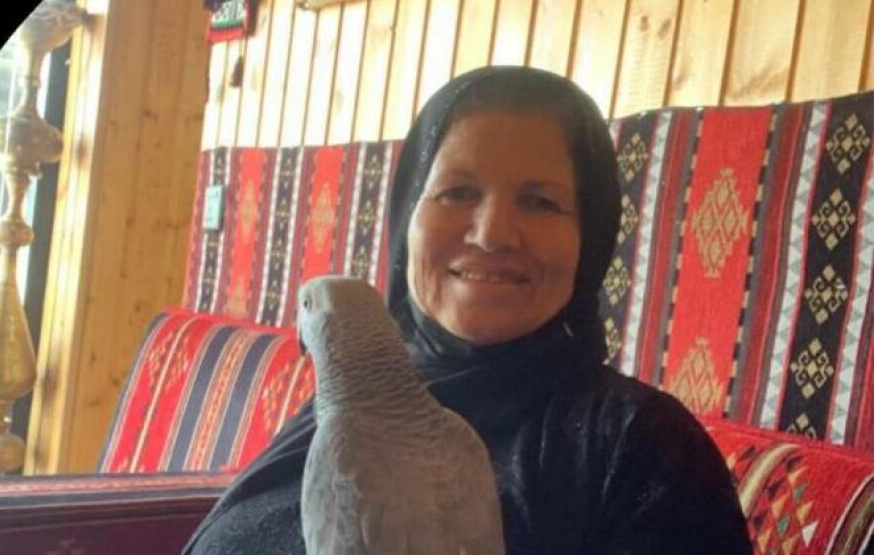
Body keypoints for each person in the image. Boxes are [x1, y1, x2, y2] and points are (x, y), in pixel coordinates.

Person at [183, 66, 751, 554]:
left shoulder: (638, 447)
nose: (492, 234)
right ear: (407, 218)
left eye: (541, 202)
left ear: (592, 238)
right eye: (457, 192)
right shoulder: (354, 393)